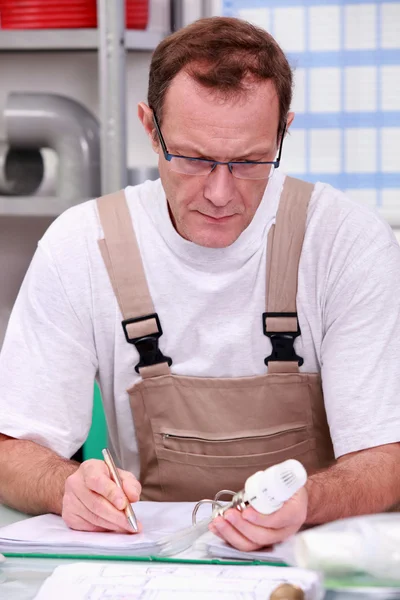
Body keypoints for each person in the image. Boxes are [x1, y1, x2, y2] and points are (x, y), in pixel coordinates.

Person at [0, 16, 400, 553]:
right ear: (149, 127)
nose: (218, 192)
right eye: (191, 158)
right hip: (153, 563)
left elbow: (386, 456)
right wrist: (65, 486)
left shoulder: (345, 242)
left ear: (284, 130)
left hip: (311, 559)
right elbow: (12, 447)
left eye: (250, 162)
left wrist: (311, 500)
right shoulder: (82, 243)